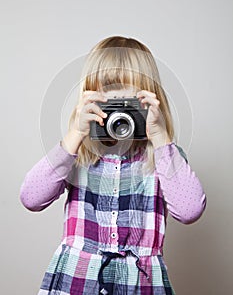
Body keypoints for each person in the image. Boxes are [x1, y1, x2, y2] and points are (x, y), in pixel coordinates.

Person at [20, 36, 207, 295]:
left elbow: (189, 211)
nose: (120, 110)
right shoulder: (78, 154)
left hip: (140, 284)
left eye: (130, 101)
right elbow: (30, 197)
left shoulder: (164, 158)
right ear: (90, 97)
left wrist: (160, 136)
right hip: (77, 280)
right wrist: (75, 134)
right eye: (109, 96)